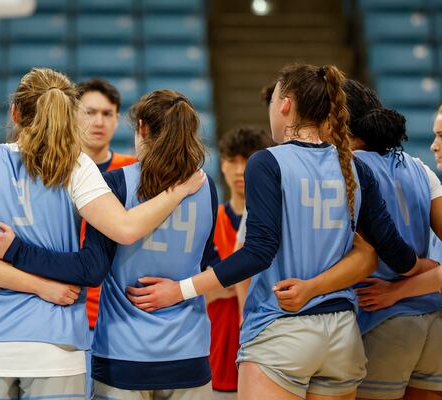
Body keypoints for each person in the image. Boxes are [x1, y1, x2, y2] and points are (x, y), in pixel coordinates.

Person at [0, 68, 204, 399]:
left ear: (14, 112)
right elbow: (127, 229)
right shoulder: (76, 166)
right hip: (57, 346)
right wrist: (178, 191)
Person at [125, 64, 432, 400]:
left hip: (281, 330)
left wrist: (180, 290)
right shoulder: (354, 166)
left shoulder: (268, 162)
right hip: (343, 335)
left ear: (284, 104)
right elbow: (395, 255)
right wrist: (428, 271)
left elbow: (257, 253)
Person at [354, 98, 442, 400]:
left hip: (383, 318)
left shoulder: (348, 167)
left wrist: (397, 290)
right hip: (433, 320)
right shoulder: (419, 169)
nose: (433, 145)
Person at [206, 126, 273, 399]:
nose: (239, 170)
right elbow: (198, 290)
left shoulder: (274, 225)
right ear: (221, 165)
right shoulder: (208, 220)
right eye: (231, 161)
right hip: (213, 356)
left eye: (247, 160)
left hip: (266, 356)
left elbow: (211, 285)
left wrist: (217, 283)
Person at [76, 78, 137, 330]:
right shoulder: (54, 171)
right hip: (68, 307)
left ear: (117, 119)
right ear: (72, 115)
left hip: (123, 310)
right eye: (90, 112)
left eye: (107, 113)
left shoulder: (135, 171)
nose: (99, 121)